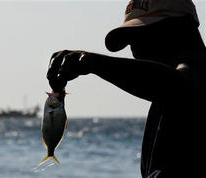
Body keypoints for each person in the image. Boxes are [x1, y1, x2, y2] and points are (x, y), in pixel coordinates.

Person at [47, 0, 206, 177]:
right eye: (130, 41)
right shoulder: (165, 103)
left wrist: (93, 63)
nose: (135, 50)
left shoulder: (191, 80)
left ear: (182, 26)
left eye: (143, 35)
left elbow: (178, 85)